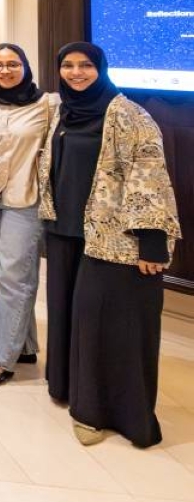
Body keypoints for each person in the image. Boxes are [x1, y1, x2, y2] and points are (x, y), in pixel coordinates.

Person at [39, 42, 180, 448]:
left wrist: (152, 242)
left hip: (113, 237)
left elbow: (151, 176)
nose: (76, 72)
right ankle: (67, 388)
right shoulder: (63, 112)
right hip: (65, 231)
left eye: (85, 65)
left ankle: (97, 412)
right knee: (68, 317)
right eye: (68, 65)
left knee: (103, 325)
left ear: (101, 69)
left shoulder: (129, 115)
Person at [0, 44, 53, 387]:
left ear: (25, 67)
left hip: (26, 197)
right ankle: (25, 345)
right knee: (1, 271)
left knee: (16, 275)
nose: (5, 70)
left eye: (13, 64)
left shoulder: (47, 105)